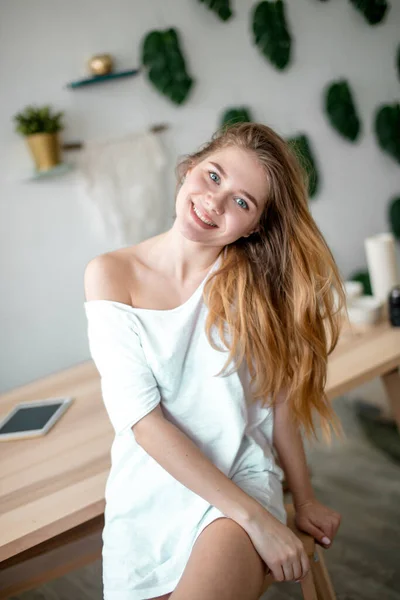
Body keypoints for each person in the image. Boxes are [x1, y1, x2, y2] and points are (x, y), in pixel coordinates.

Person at [84, 122, 345, 600]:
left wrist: (296, 501)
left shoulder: (257, 288)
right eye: (213, 176)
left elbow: (279, 404)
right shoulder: (110, 275)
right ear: (188, 168)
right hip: (147, 492)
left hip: (238, 485)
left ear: (257, 225)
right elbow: (144, 423)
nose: (216, 201)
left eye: (242, 202)